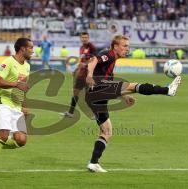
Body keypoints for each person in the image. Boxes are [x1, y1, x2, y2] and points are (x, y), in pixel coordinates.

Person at [85, 35, 181, 172]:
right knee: (134, 86)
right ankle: (167, 90)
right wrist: (89, 75)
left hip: (93, 97)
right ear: (115, 46)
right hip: (96, 89)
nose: (127, 49)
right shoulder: (108, 55)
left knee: (107, 130)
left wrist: (124, 97)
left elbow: (110, 85)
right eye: (124, 46)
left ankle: (93, 163)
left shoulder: (110, 65)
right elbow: (93, 60)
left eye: (128, 46)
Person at [0, 38, 33, 178]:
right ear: (22, 49)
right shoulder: (8, 62)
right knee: (3, 135)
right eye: (30, 48)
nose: (33, 51)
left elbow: (23, 89)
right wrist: (15, 84)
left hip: (16, 105)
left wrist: (24, 106)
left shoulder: (27, 66)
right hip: (3, 103)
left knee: (21, 140)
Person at [61, 32, 96, 118]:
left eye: (86, 37)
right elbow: (81, 61)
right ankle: (70, 112)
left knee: (90, 95)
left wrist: (85, 64)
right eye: (83, 37)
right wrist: (76, 70)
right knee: (75, 93)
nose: (84, 39)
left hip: (89, 74)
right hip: (81, 74)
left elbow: (95, 59)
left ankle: (96, 114)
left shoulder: (92, 47)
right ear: (80, 38)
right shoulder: (81, 48)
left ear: (88, 38)